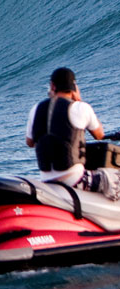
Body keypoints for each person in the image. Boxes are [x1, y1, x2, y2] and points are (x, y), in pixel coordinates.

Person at [26, 67, 119, 199]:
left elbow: (29, 142)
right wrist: (79, 100)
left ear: (52, 86)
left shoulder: (35, 109)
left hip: (47, 181)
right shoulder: (80, 107)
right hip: (76, 181)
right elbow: (99, 134)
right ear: (74, 87)